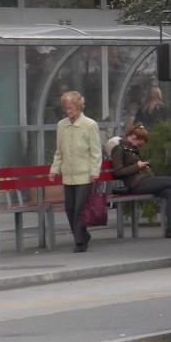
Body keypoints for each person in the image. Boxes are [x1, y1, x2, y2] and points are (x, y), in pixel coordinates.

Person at [50, 90, 104, 253]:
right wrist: (54, 169)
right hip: (68, 175)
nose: (68, 111)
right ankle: (83, 235)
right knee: (70, 208)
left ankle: (80, 242)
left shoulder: (90, 125)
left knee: (80, 208)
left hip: (85, 174)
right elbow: (59, 151)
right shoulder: (62, 125)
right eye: (66, 108)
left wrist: (95, 171)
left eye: (71, 107)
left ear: (79, 106)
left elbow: (96, 151)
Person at [111, 123, 171, 238]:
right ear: (133, 137)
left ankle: (170, 229)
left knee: (170, 192)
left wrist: (144, 166)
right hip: (136, 183)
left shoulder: (132, 148)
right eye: (140, 143)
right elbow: (118, 171)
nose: (140, 146)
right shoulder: (118, 149)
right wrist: (138, 166)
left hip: (145, 180)